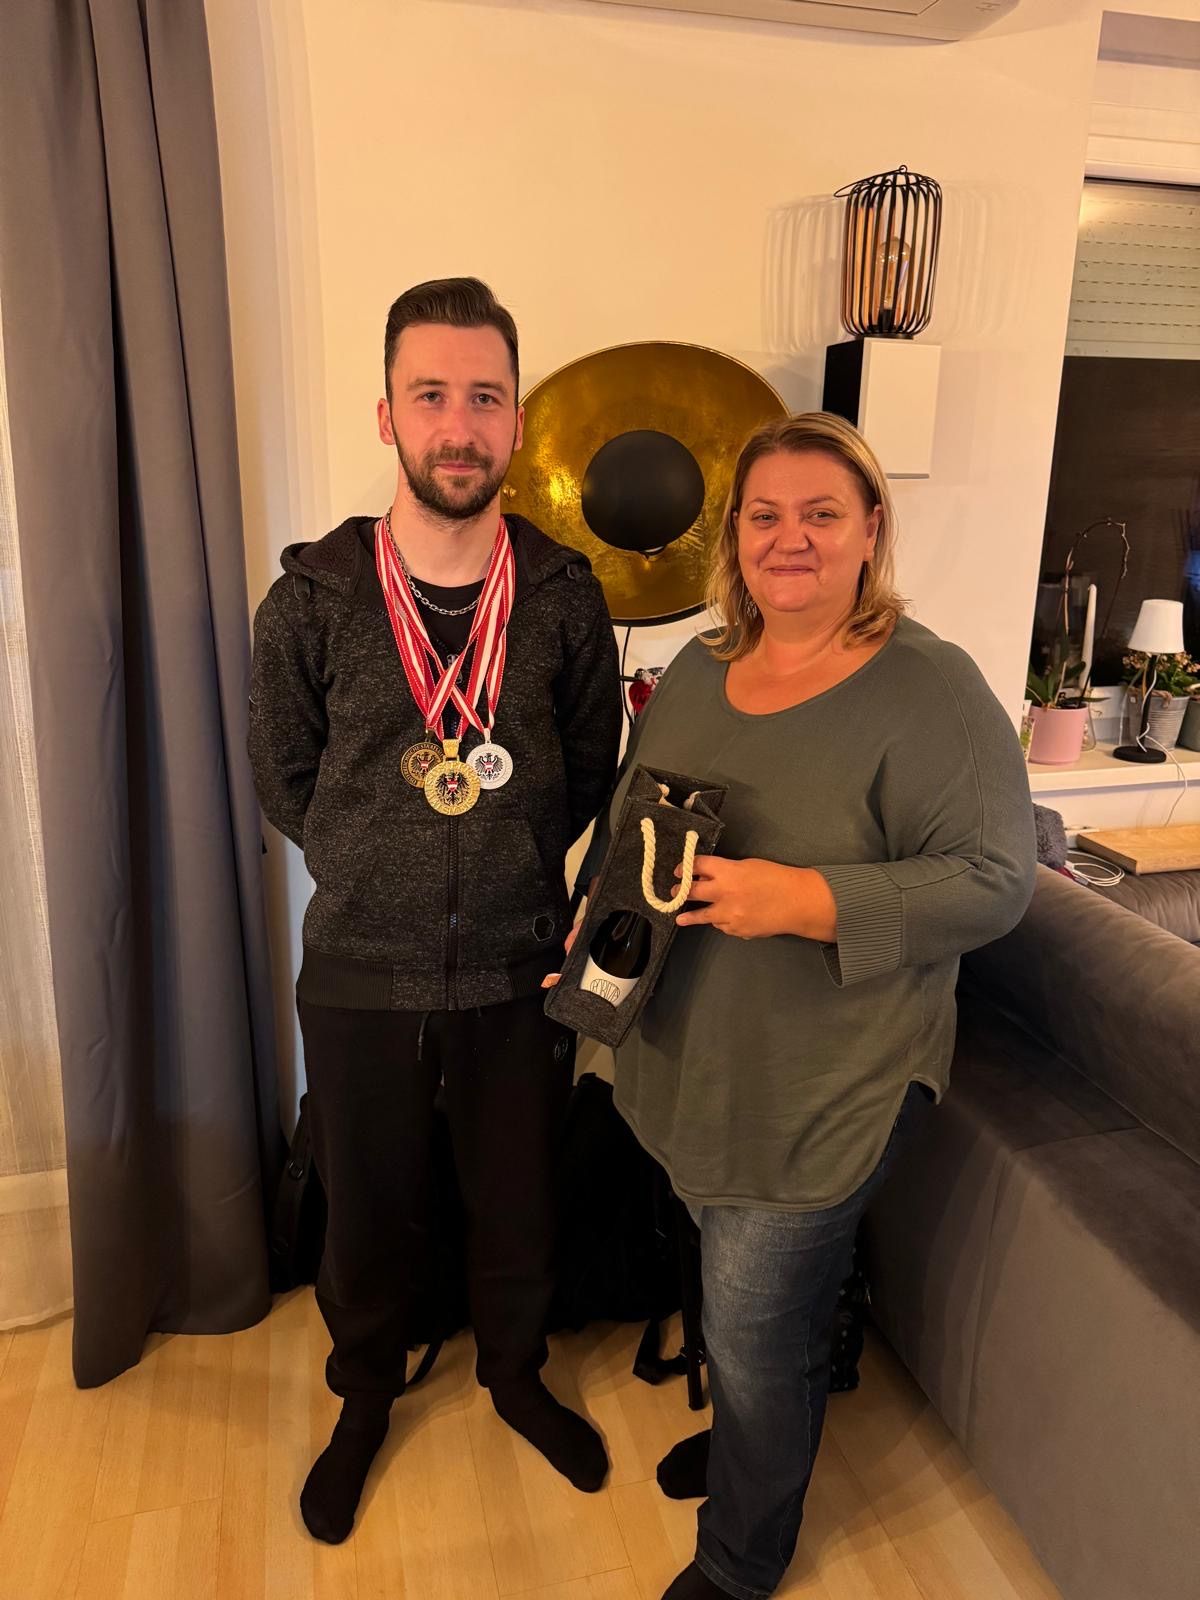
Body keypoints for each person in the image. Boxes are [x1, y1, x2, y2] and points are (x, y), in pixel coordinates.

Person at [553, 412, 1036, 1600]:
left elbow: (995, 881)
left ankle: (740, 1557)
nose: (792, 539)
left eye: (823, 513)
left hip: (825, 1082)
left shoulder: (930, 689)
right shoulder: (708, 668)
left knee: (761, 1332)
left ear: (871, 528)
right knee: (728, 1291)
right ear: (737, 537)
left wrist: (808, 897)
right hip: (688, 1053)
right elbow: (636, 820)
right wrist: (594, 905)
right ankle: (747, 1452)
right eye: (765, 515)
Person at [249, 277, 621, 1543]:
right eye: (431, 395)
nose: (457, 424)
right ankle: (363, 1397)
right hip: (359, 964)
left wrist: (509, 874)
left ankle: (514, 1374)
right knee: (367, 1202)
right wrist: (378, 868)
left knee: (518, 1197)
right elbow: (283, 779)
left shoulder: (566, 597)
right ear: (386, 415)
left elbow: (586, 770)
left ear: (516, 423)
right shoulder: (309, 600)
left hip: (520, 966)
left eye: (483, 397)